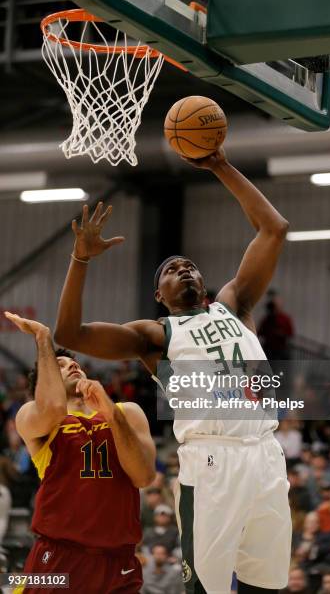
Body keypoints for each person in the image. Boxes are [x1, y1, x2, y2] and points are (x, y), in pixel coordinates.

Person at [54, 147, 291, 594]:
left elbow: (274, 229)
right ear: (159, 295)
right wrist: (80, 260)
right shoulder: (155, 334)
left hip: (265, 454)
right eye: (170, 269)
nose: (183, 268)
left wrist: (219, 164)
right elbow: (71, 332)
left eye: (190, 266)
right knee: (206, 587)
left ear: (203, 285)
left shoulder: (235, 305)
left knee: (267, 584)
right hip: (211, 461)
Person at [4, 311, 156, 594]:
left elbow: (144, 476)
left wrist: (110, 414)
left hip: (119, 560)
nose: (72, 365)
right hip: (58, 556)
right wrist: (43, 339)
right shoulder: (33, 417)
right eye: (60, 365)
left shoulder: (127, 412)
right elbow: (51, 407)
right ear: (44, 383)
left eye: (73, 362)